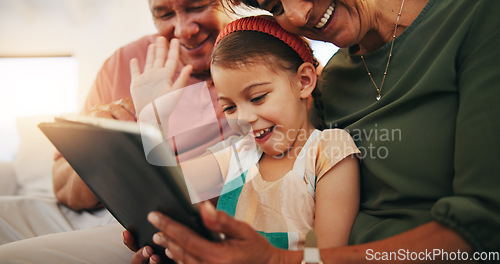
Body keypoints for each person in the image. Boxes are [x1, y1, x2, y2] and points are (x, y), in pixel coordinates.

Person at [131, 0, 500, 263]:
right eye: (275, 5)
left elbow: (481, 229)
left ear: (304, 80)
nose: (297, 13)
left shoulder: (477, 17)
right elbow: (190, 183)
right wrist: (172, 230)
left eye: (256, 97)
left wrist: (276, 260)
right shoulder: (332, 79)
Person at [0, 0, 236, 262]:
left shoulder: (260, 63)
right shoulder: (123, 63)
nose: (182, 29)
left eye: (197, 6)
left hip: (146, 224)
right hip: (85, 211)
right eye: (164, 14)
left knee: (12, 257)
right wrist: (102, 146)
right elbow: (62, 186)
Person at [126, 15, 360, 262]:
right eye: (229, 108)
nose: (243, 118)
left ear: (303, 81)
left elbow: (328, 257)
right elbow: (162, 191)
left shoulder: (329, 149)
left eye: (258, 97)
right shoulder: (239, 153)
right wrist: (150, 123)